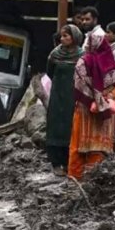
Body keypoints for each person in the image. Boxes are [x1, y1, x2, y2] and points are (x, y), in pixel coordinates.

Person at [67, 29, 115, 179]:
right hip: (105, 113)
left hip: (86, 109)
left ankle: (76, 177)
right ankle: (96, 178)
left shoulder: (83, 61)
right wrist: (105, 98)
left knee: (79, 145)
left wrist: (93, 99)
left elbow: (78, 85)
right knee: (100, 147)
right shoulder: (112, 63)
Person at [45, 25, 84, 175]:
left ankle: (69, 162)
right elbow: (50, 72)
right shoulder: (55, 54)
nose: (62, 39)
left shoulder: (82, 55)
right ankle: (55, 162)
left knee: (70, 125)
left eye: (66, 36)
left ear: (74, 37)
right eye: (61, 36)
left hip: (73, 96)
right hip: (57, 95)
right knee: (55, 124)